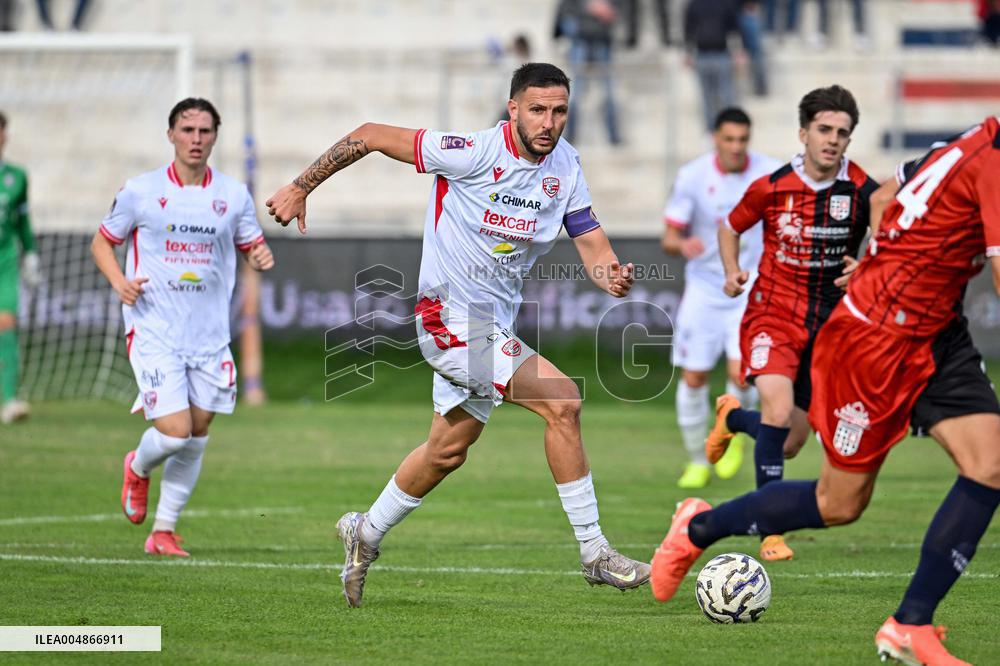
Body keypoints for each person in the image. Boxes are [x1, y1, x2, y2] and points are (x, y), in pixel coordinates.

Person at [265, 63, 649, 608]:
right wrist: (301, 186)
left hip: (493, 325)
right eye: (537, 109)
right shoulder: (470, 151)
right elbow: (371, 135)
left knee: (447, 450)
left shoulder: (566, 165)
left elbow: (590, 240)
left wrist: (612, 274)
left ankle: (365, 532)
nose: (549, 121)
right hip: (446, 318)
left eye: (559, 110)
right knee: (562, 401)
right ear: (512, 108)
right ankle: (595, 552)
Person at [651, 116, 1000, 666]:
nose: (833, 140)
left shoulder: (957, 146)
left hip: (937, 336)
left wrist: (879, 257)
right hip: (874, 339)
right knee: (837, 503)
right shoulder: (990, 165)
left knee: (989, 463)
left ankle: (910, 624)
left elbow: (885, 193)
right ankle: (698, 527)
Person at [92, 98, 274, 557]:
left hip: (209, 333)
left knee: (197, 431)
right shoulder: (141, 191)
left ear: (215, 136)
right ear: (170, 134)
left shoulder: (232, 195)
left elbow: (251, 242)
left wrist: (260, 255)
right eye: (187, 130)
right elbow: (102, 242)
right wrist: (119, 283)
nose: (196, 139)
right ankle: (138, 465)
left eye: (205, 131)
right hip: (154, 327)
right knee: (174, 430)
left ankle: (164, 531)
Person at [703, 85, 878, 561]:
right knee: (778, 415)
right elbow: (729, 226)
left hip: (827, 326)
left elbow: (891, 240)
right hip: (772, 314)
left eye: (842, 133)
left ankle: (733, 417)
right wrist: (731, 271)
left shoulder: (864, 191)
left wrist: (867, 265)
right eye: (824, 129)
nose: (833, 139)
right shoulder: (772, 186)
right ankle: (769, 529)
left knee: (792, 442)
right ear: (803, 133)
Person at [660, 107, 780, 489]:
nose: (736, 147)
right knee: (694, 376)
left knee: (740, 371)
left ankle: (731, 440)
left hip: (750, 287)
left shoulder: (769, 172)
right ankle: (697, 459)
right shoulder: (693, 176)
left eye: (742, 140)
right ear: (716, 138)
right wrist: (683, 244)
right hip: (705, 288)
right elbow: (669, 237)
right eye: (729, 139)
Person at [0, 111, 41, 425]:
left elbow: (23, 219)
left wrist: (30, 254)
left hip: (5, 261)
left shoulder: (16, 177)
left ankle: (10, 399)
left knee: (6, 324)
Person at [557, 0, 622, 145]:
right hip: (580, 42)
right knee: (574, 93)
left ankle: (613, 136)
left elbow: (617, 11)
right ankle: (569, 135)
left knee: (608, 92)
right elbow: (566, 14)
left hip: (602, 41)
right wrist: (591, 8)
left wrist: (605, 11)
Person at [683, 0, 743, 133]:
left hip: (722, 54)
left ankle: (730, 127)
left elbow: (734, 28)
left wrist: (737, 51)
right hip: (702, 55)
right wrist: (688, 53)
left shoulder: (726, 3)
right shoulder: (694, 4)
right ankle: (711, 130)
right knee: (707, 97)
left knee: (727, 95)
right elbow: (688, 28)